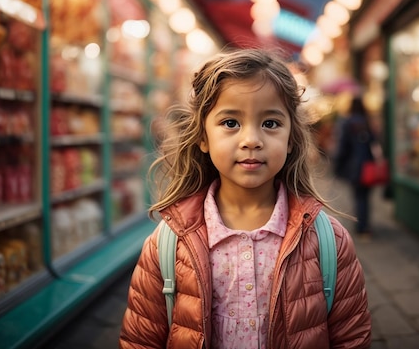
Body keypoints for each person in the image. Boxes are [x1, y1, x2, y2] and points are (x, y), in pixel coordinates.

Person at [119, 49, 371, 348]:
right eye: (230, 123)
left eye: (270, 124)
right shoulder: (170, 243)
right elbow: (141, 340)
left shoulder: (328, 241)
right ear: (203, 136)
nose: (251, 139)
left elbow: (352, 338)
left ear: (291, 139)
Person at [333, 96, 380, 239]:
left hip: (353, 166)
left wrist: (337, 163)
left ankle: (361, 226)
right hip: (368, 165)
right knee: (365, 197)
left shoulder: (347, 123)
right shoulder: (367, 122)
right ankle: (365, 225)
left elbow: (342, 146)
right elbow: (374, 141)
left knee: (358, 196)